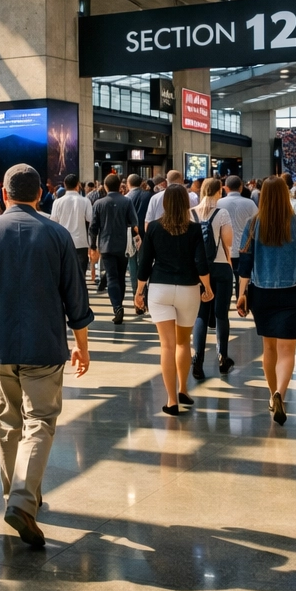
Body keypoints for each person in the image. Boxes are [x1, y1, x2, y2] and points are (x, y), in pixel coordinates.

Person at [0, 164, 92, 548]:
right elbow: (75, 299)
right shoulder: (57, 234)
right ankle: (23, 499)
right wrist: (82, 343)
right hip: (45, 345)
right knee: (41, 421)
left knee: (6, 421)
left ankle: (14, 495)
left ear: (4, 195)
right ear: (39, 196)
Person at [235, 176, 296, 425]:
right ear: (285, 195)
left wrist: (240, 295)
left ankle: (272, 395)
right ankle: (281, 391)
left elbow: (245, 265)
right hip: (291, 294)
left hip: (261, 294)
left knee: (268, 348)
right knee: (287, 351)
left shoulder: (253, 223)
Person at [136, 185, 213, 415]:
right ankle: (183, 389)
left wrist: (139, 292)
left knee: (167, 346)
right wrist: (207, 287)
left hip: (159, 289)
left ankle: (171, 400)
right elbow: (201, 262)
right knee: (182, 343)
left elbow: (144, 262)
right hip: (188, 289)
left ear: (166, 203)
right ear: (186, 203)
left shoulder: (155, 228)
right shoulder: (195, 228)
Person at [190, 178, 238, 379]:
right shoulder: (222, 213)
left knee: (201, 314)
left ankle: (198, 361)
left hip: (199, 270)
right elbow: (228, 241)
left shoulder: (191, 213)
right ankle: (222, 358)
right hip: (221, 268)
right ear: (219, 191)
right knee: (221, 315)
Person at [90, 173, 137, 326]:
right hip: (123, 245)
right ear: (120, 186)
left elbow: (93, 227)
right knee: (121, 276)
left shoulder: (99, 203)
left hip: (106, 245)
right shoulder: (127, 201)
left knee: (112, 277)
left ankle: (117, 306)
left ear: (105, 186)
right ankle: (120, 303)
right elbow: (133, 221)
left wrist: (92, 245)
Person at [49, 173, 95, 282]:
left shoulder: (57, 202)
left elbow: (53, 222)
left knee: (64, 275)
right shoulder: (85, 201)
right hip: (81, 242)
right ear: (78, 185)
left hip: (63, 243)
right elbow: (91, 220)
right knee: (80, 277)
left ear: (64, 185)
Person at [124, 174, 152, 315]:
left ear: (128, 183)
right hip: (146, 236)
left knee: (133, 267)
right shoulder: (148, 196)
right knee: (145, 266)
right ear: (141, 182)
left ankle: (137, 299)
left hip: (131, 237)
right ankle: (146, 298)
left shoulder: (126, 198)